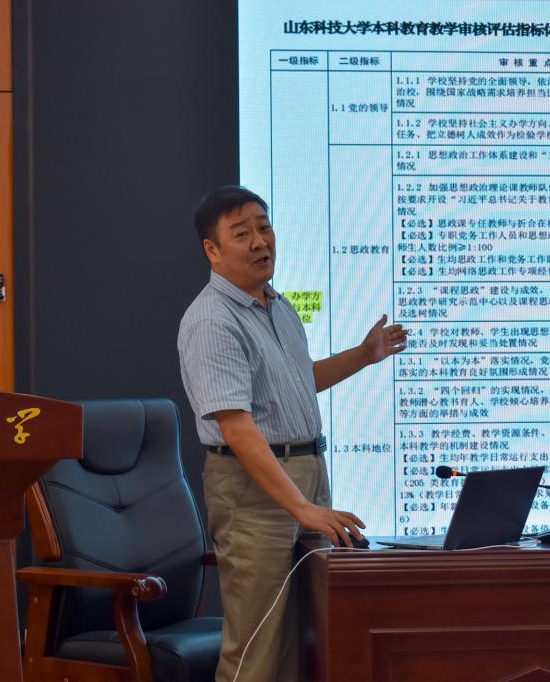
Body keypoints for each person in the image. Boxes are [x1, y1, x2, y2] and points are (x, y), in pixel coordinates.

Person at [177, 185, 407, 681]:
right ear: (212, 250)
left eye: (264, 227)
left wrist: (363, 355)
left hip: (307, 475)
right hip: (253, 489)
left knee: (312, 640)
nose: (261, 242)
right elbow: (237, 428)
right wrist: (301, 507)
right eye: (242, 233)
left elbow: (300, 381)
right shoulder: (212, 320)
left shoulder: (278, 306)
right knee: (259, 647)